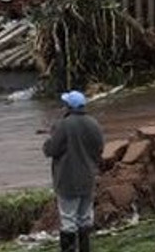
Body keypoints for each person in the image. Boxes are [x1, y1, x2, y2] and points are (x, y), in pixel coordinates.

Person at [42, 90, 104, 252]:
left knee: (68, 220)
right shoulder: (94, 123)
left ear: (69, 107)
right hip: (88, 179)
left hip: (68, 180)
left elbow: (51, 150)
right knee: (85, 219)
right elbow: (99, 149)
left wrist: (48, 142)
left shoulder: (63, 125)